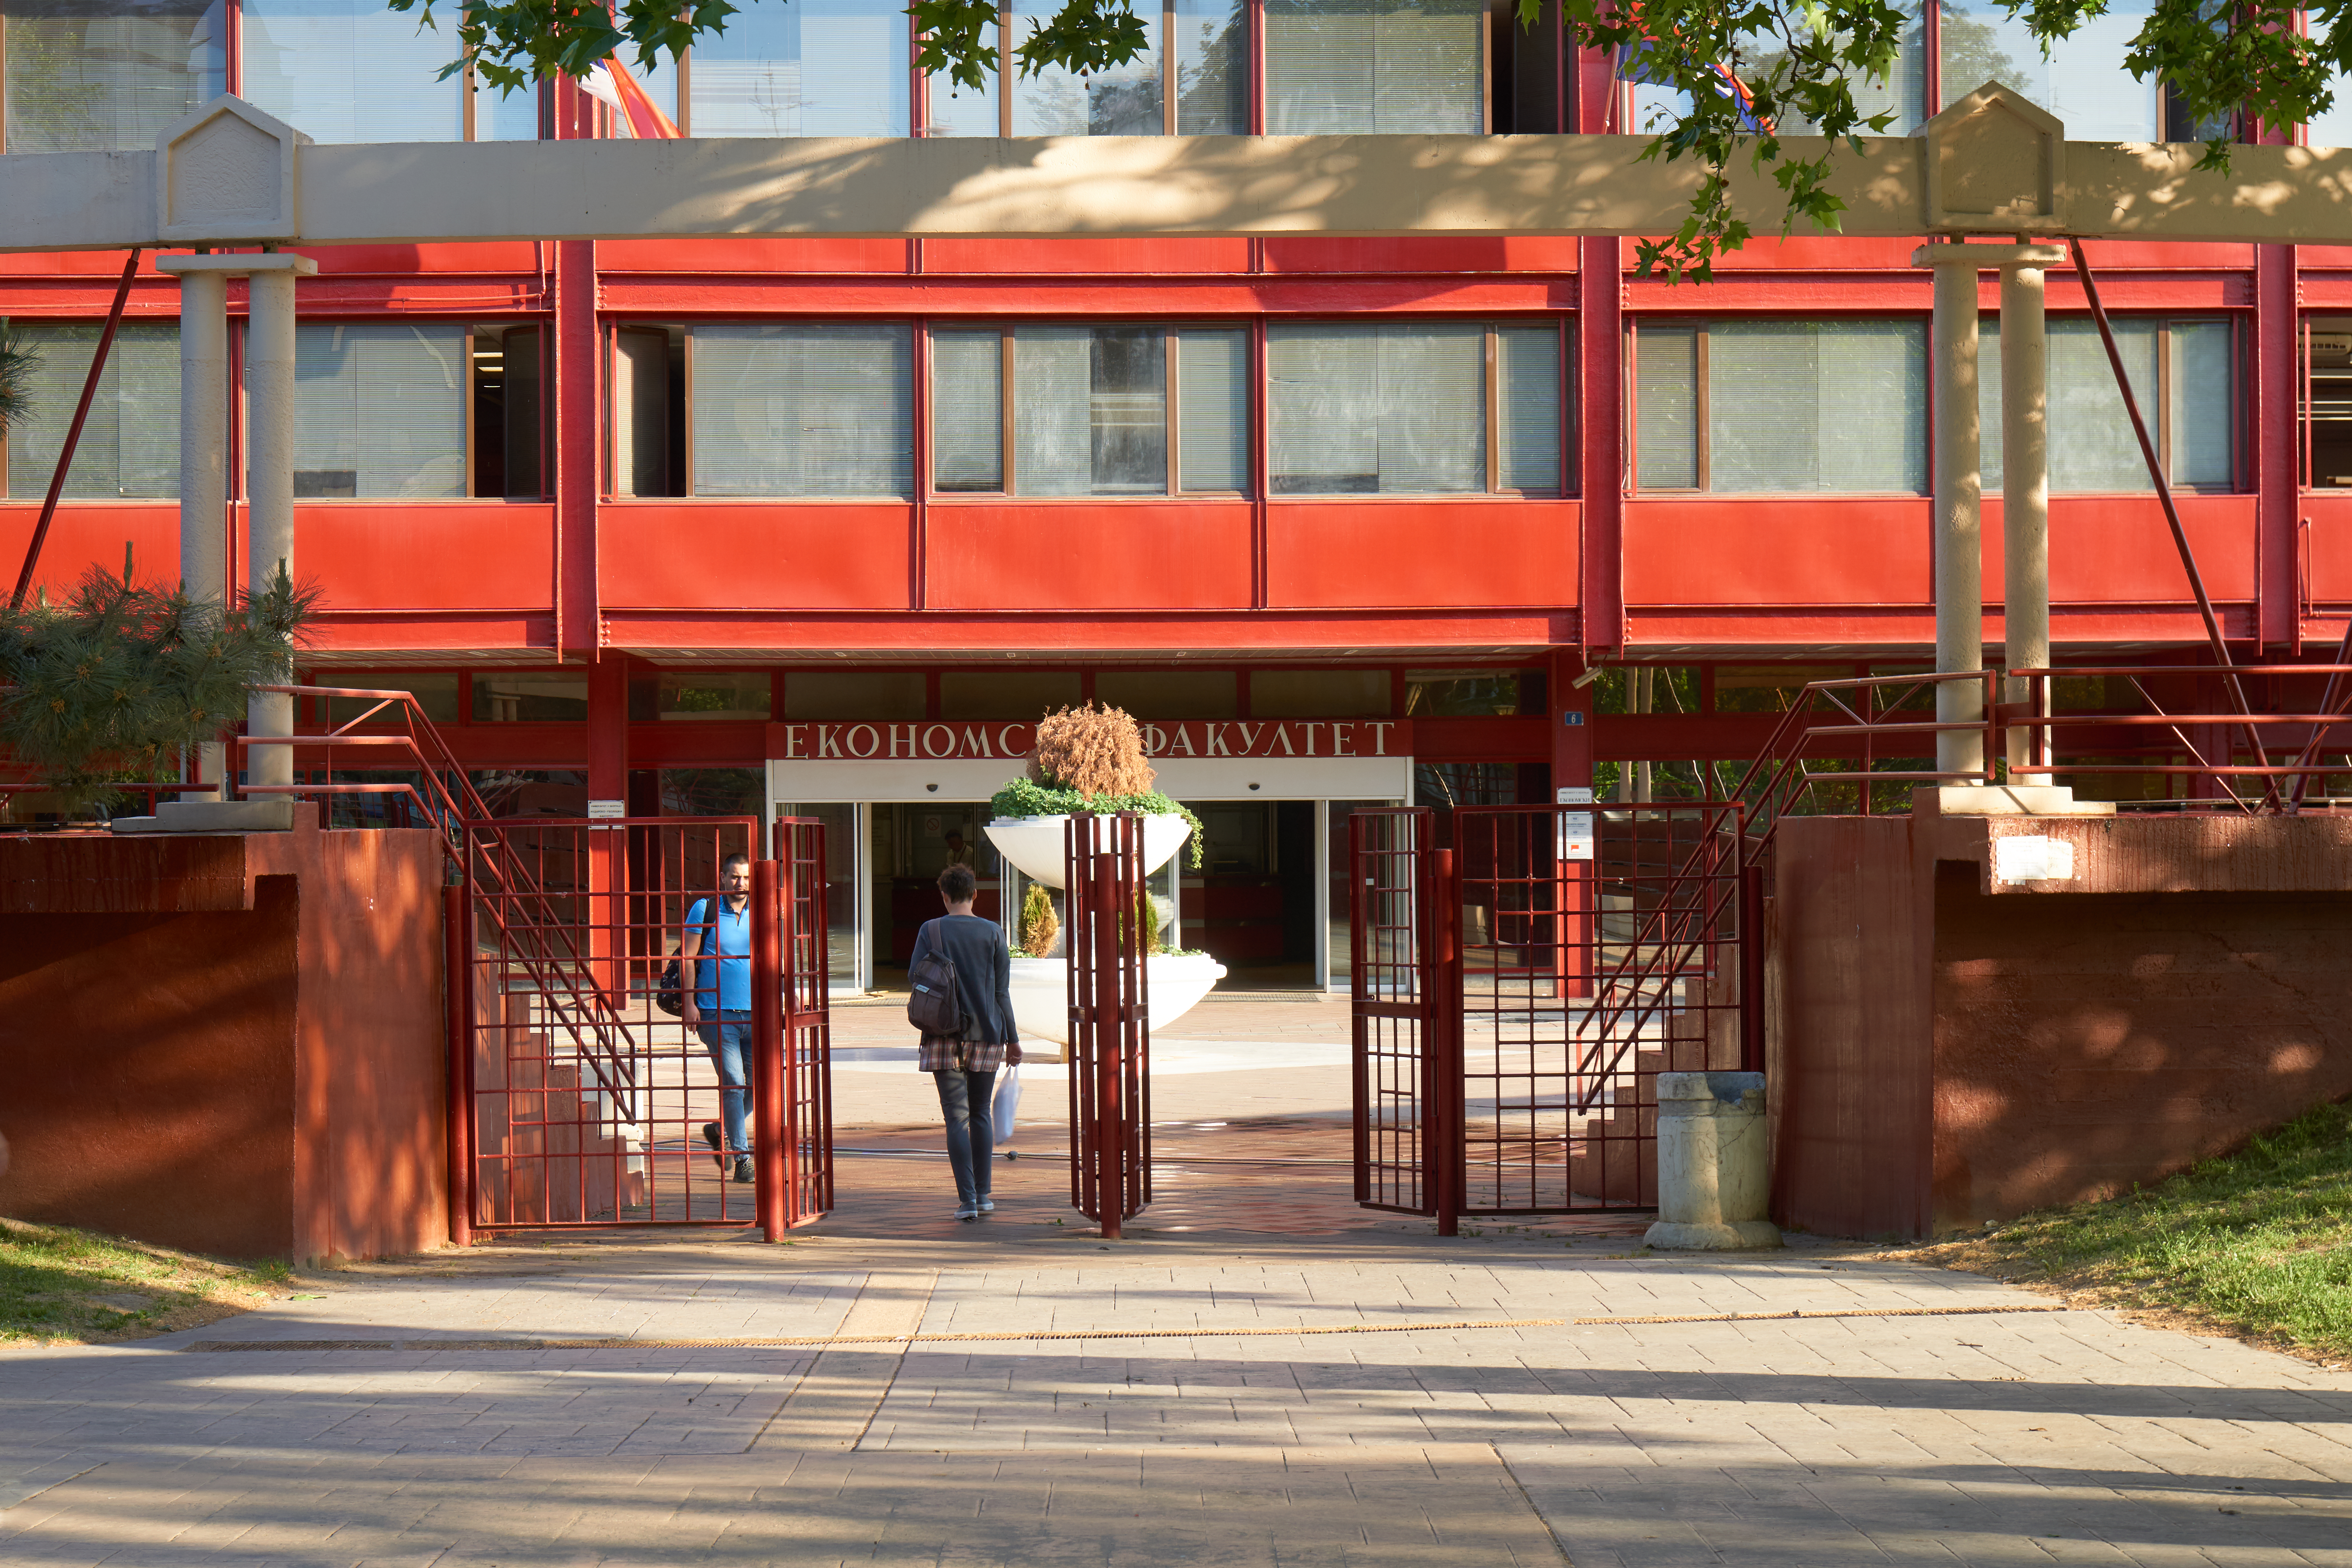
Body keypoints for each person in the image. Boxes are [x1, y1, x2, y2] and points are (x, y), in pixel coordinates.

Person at [909, 862, 1019, 1221]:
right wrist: (1013, 1040)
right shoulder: (992, 932)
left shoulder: (931, 930)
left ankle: (967, 1200)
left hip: (942, 1034)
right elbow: (1002, 992)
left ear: (944, 896)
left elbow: (915, 977)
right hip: (988, 1034)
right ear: (975, 895)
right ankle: (985, 1195)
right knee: (980, 1113)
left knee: (956, 1118)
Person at [680, 851, 756, 1184]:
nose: (740, 884)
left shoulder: (763, 909)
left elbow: (775, 955)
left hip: (757, 1013)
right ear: (723, 878)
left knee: (757, 1085)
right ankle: (742, 1158)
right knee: (734, 1084)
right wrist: (689, 1003)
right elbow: (687, 956)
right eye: (734, 877)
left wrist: (789, 991)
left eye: (746, 877)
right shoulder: (705, 909)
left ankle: (720, 1129)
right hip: (716, 1012)